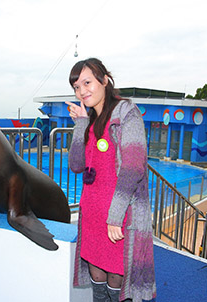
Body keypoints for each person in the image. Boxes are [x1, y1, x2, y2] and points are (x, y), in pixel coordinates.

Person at [66, 58, 156, 302]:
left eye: (87, 82)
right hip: (93, 215)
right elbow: (76, 165)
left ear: (104, 80)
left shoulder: (127, 112)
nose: (82, 91)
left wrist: (115, 215)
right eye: (76, 86)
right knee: (97, 274)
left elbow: (133, 167)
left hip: (118, 218)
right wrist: (81, 124)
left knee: (118, 278)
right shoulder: (91, 120)